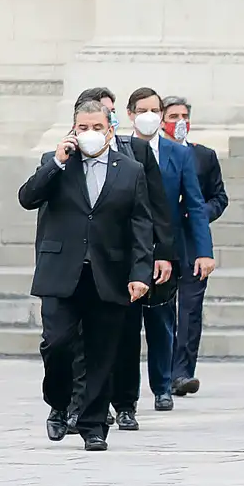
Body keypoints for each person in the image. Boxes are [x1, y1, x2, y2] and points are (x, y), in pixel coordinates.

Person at [18, 99, 153, 451]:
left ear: (110, 129)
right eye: (83, 127)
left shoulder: (130, 169)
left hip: (108, 272)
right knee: (57, 343)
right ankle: (59, 402)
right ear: (73, 129)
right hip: (61, 271)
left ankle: (93, 425)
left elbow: (141, 225)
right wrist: (58, 163)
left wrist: (140, 273)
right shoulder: (56, 162)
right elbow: (28, 197)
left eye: (97, 127)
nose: (90, 134)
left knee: (101, 352)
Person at [63, 87, 173, 435]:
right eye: (90, 122)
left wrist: (162, 253)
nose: (98, 127)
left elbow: (155, 209)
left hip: (123, 262)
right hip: (84, 263)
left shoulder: (135, 152)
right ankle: (83, 404)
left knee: (124, 337)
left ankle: (124, 403)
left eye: (106, 117)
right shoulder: (71, 159)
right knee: (81, 340)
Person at [110, 87, 214, 429]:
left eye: (155, 109)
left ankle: (162, 385)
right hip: (124, 251)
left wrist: (203, 250)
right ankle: (123, 396)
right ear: (130, 114)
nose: (149, 115)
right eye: (143, 109)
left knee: (161, 322)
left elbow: (196, 204)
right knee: (124, 327)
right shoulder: (119, 150)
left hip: (164, 250)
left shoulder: (179, 154)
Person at [161, 96, 229, 397]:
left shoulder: (204, 156)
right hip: (160, 242)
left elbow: (219, 197)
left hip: (192, 242)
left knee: (190, 310)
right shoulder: (151, 154)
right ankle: (160, 370)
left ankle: (182, 372)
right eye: (173, 115)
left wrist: (198, 211)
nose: (180, 121)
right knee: (162, 310)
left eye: (184, 115)